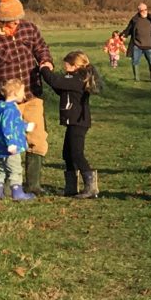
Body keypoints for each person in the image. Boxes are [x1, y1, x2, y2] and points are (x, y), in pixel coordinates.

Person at [40, 51, 102, 199]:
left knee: (76, 153)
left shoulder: (77, 79)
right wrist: (48, 75)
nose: (64, 67)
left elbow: (55, 81)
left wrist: (44, 68)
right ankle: (71, 187)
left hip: (78, 122)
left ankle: (91, 186)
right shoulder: (74, 79)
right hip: (73, 122)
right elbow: (60, 88)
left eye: (66, 65)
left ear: (74, 66)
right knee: (67, 154)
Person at [0, 0, 52, 101]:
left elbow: (41, 48)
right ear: (2, 19)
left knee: (35, 119)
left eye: (19, 17)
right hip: (7, 100)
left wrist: (46, 61)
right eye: (12, 19)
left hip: (32, 94)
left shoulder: (29, 28)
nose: (17, 21)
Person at [0, 79, 36, 202]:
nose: (24, 95)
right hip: (11, 147)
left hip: (1, 147)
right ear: (14, 93)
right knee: (16, 169)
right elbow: (8, 127)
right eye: (22, 92)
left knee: (2, 170)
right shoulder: (10, 110)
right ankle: (18, 193)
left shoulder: (2, 107)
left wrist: (25, 126)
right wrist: (11, 143)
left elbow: (15, 124)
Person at [118, 2, 151, 82]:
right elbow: (129, 29)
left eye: (146, 9)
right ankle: (137, 79)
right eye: (142, 10)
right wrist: (123, 35)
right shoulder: (135, 19)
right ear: (138, 11)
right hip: (137, 46)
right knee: (135, 62)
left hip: (150, 46)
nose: (144, 11)